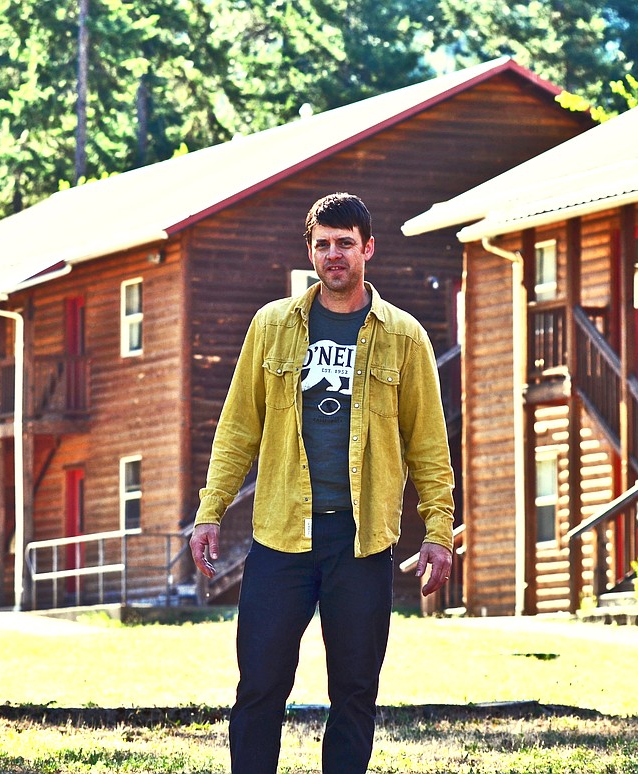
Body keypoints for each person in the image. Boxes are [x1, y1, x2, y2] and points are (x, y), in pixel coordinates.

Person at [190, 192, 455, 774]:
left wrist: (439, 531)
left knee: (355, 692)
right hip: (282, 539)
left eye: (345, 244)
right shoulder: (271, 327)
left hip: (360, 544)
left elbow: (430, 446)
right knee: (259, 686)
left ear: (368, 249)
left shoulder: (404, 337)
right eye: (323, 244)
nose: (334, 255)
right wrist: (209, 513)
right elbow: (238, 429)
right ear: (310, 251)